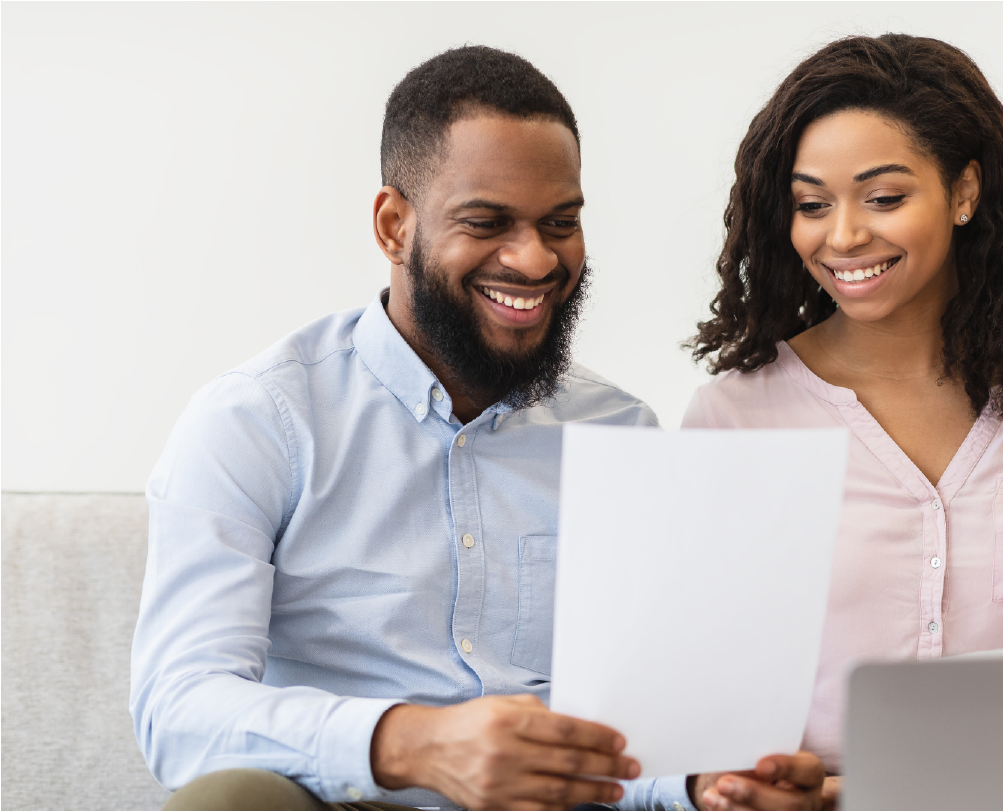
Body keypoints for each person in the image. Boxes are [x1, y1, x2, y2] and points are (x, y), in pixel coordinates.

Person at [130, 46, 822, 811]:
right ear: (395, 225)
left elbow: (634, 728)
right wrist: (413, 742)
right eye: (487, 222)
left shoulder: (619, 430)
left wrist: (702, 781)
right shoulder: (259, 421)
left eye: (559, 222)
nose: (533, 258)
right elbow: (179, 712)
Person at [683, 34, 1003, 806]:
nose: (841, 237)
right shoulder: (734, 416)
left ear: (964, 191)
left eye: (883, 197)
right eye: (811, 205)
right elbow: (700, 701)